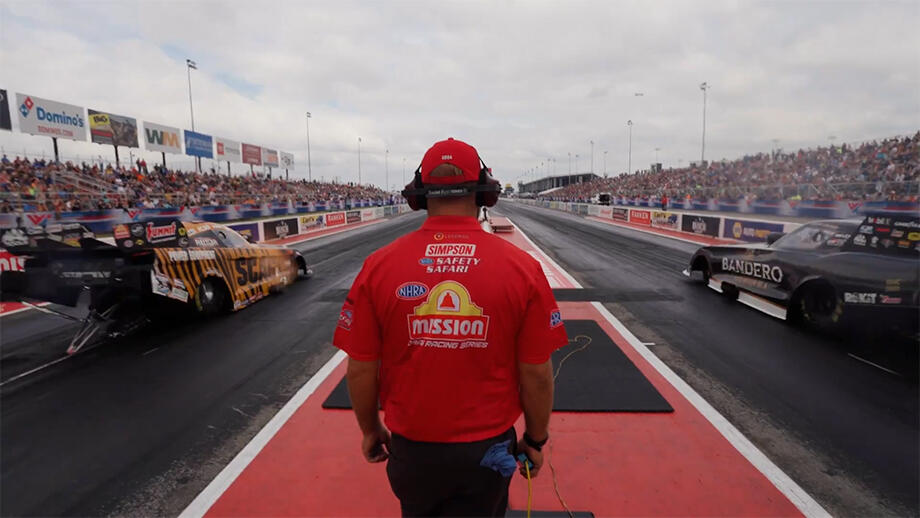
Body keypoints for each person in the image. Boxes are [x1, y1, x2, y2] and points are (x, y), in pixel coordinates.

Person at [333, 138, 567, 517]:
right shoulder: (522, 268)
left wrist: (370, 429)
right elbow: (537, 373)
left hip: (412, 451)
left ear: (420, 194)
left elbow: (361, 367)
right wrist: (535, 439)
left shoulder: (378, 265)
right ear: (485, 192)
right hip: (487, 451)